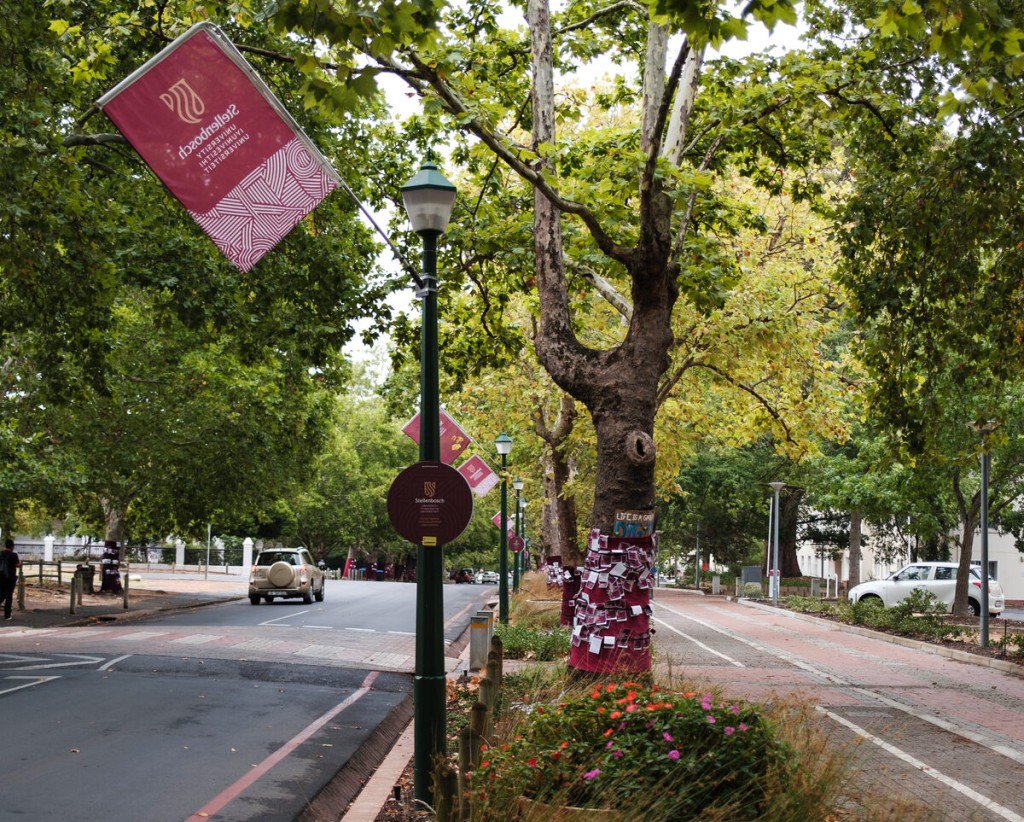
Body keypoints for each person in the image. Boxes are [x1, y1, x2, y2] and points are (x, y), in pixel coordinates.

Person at [0, 539, 21, 620]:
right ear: (12, 546)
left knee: (1, 594)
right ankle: (7, 615)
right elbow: (17, 565)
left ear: (5, 545)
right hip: (10, 577)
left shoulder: (1, 553)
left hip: (1, 576)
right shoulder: (14, 555)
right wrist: (20, 564)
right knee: (9, 595)